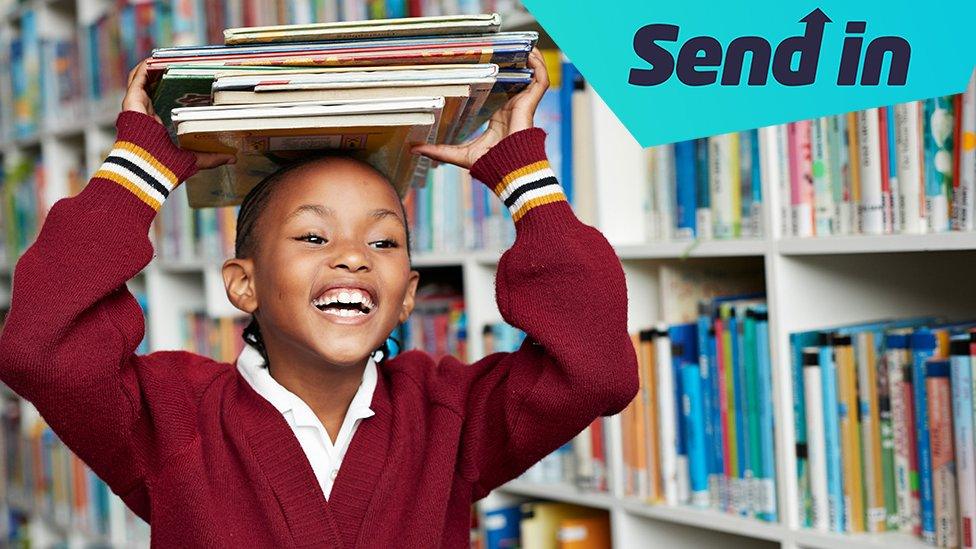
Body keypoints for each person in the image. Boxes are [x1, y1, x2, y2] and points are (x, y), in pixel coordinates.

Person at [0, 49, 638, 547]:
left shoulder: (452, 415)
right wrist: (140, 168)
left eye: (384, 244)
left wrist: (523, 177)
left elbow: (596, 369)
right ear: (242, 284)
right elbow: (40, 345)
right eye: (313, 234)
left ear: (408, 295)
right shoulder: (170, 419)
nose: (354, 255)